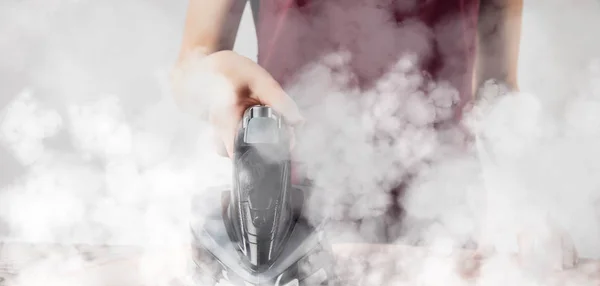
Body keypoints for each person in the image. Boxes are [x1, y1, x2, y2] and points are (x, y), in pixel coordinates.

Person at [171, 0, 524, 244]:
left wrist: (524, 204)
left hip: (444, 220)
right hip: (293, 217)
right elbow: (192, 64)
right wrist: (214, 80)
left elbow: (497, 89)